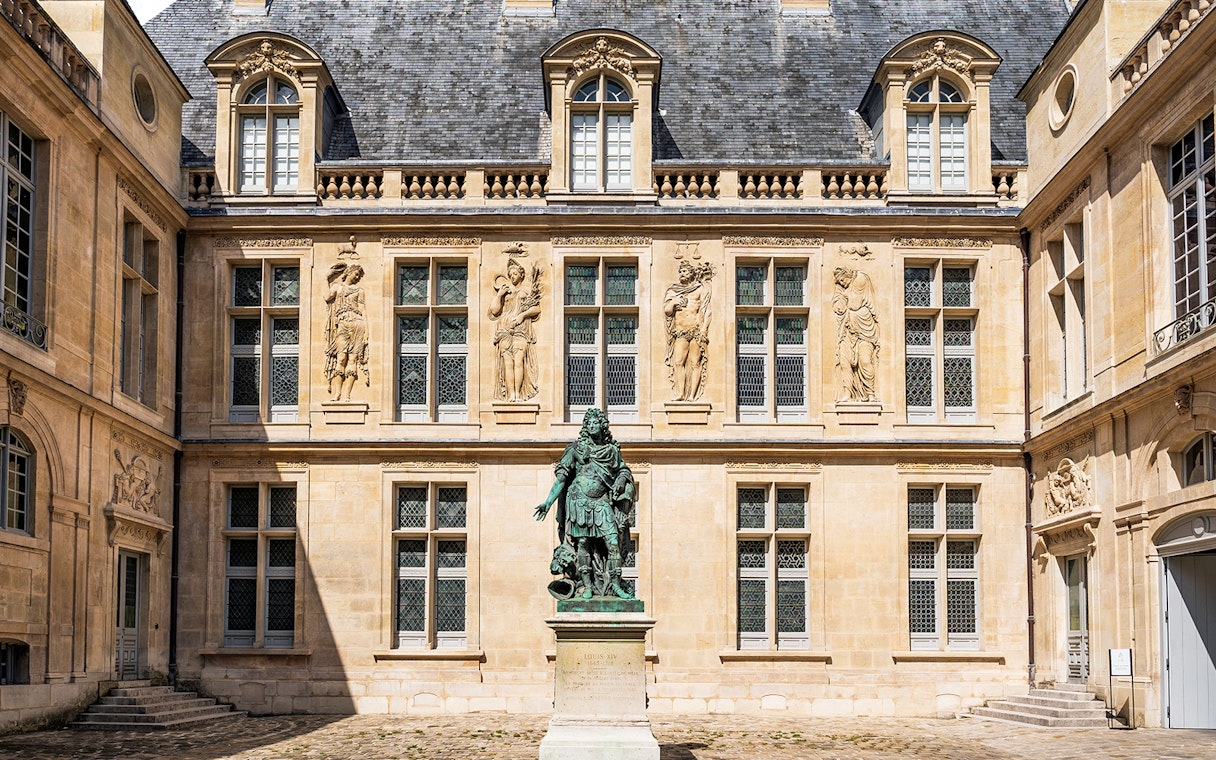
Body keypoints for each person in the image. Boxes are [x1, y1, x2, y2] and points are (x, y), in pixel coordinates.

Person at [534, 408, 635, 600]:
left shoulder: (611, 451)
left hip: (601, 502)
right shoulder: (576, 450)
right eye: (588, 423)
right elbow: (562, 478)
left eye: (595, 422)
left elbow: (623, 470)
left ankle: (615, 585)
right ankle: (587, 586)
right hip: (578, 503)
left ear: (602, 426)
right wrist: (548, 501)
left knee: (613, 542)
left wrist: (621, 481)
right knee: (583, 543)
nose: (591, 425)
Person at [488, 258, 541, 401]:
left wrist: (522, 315)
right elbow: (494, 310)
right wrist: (499, 295)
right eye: (510, 274)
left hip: (520, 331)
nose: (512, 276)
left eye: (515, 273)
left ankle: (518, 393)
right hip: (504, 330)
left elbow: (537, 308)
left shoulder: (525, 292)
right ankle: (511, 394)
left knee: (518, 362)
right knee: (507, 364)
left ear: (521, 275)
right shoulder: (506, 292)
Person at [663, 261, 714, 401]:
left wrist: (704, 329)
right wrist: (674, 302)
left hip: (695, 330)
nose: (681, 274)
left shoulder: (700, 289)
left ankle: (692, 395)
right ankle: (680, 393)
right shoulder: (674, 290)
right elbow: (667, 311)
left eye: (684, 271)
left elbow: (706, 310)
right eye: (680, 272)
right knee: (678, 362)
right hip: (680, 331)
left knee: (695, 363)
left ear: (691, 273)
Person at [833, 266, 880, 402]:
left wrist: (843, 296)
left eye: (842, 280)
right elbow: (838, 303)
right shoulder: (845, 285)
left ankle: (870, 394)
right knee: (844, 362)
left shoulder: (860, 279)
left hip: (865, 330)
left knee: (865, 361)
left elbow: (854, 304)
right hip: (847, 329)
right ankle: (847, 393)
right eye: (840, 282)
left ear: (848, 274)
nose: (841, 284)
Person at [324, 263, 369, 401]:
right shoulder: (337, 287)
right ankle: (337, 393)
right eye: (356, 274)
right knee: (341, 357)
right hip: (342, 323)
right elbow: (326, 298)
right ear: (349, 272)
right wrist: (327, 278)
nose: (357, 277)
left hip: (357, 323)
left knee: (353, 359)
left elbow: (363, 310)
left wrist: (367, 330)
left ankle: (347, 395)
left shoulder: (359, 290)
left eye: (359, 276)